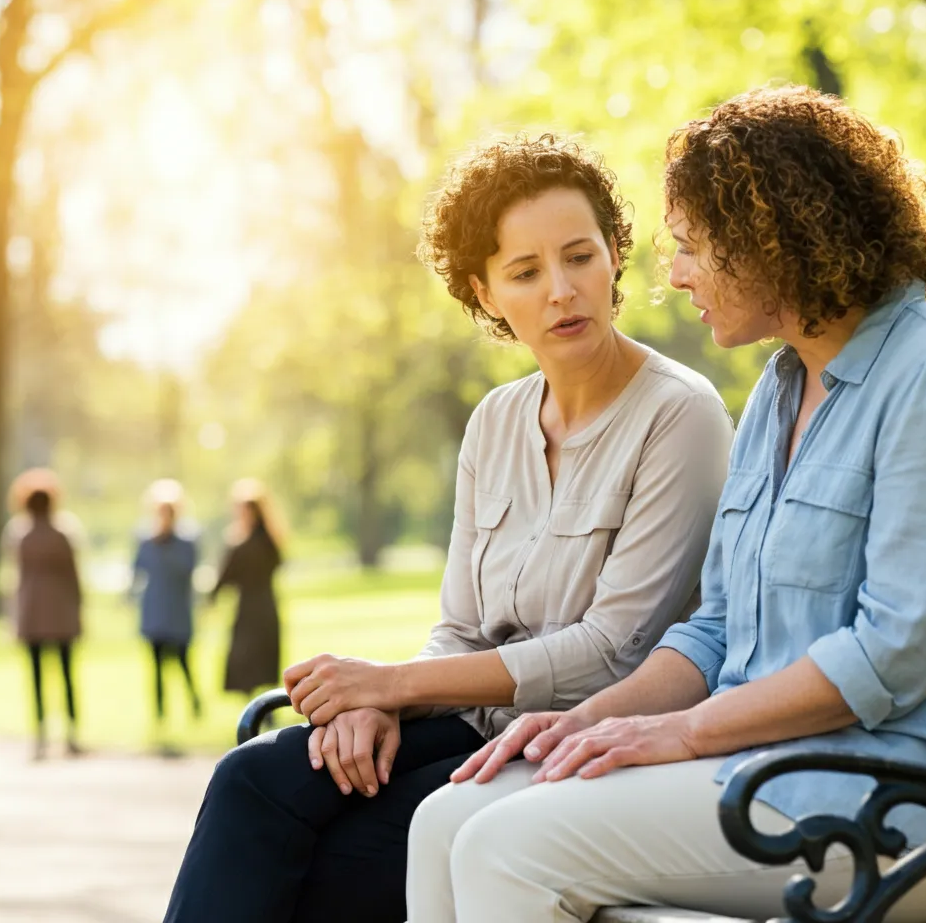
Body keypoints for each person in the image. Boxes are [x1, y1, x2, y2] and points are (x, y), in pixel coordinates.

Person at [406, 86, 926, 923]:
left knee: (506, 850)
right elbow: (716, 627)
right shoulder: (778, 387)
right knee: (444, 820)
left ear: (775, 241)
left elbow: (893, 654)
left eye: (693, 246)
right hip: (757, 767)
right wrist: (579, 725)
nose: (674, 273)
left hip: (898, 809)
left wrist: (685, 733)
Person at [163, 134, 734, 923]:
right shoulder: (494, 422)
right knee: (251, 781)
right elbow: (461, 628)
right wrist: (382, 707)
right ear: (485, 291)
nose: (562, 290)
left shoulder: (681, 416)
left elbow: (616, 648)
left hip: (577, 738)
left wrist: (395, 684)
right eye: (526, 272)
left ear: (615, 258)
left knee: (350, 858)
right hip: (467, 727)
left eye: (580, 257)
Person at [6, 468, 83, 759]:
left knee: (37, 677)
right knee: (66, 674)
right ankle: (72, 732)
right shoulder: (62, 532)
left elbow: (16, 578)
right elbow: (73, 575)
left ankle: (40, 733)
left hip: (32, 614)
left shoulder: (19, 534)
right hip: (61, 612)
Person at [132, 479, 202, 723]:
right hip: (155, 611)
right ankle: (160, 713)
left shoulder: (186, 540)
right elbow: (137, 569)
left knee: (184, 663)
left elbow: (188, 569)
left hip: (178, 612)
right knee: (157, 668)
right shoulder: (145, 539)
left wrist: (166, 545)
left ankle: (195, 704)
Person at [211, 479, 283, 696]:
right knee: (247, 657)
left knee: (259, 655)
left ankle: (264, 705)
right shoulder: (258, 540)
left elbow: (228, 574)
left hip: (260, 603)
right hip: (250, 605)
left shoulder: (258, 541)